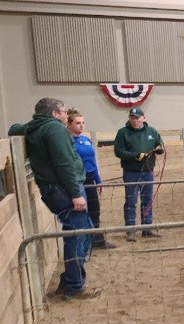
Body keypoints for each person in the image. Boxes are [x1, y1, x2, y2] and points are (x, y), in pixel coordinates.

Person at [8, 98, 99, 299]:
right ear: (54, 113)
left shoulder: (36, 126)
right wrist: (76, 193)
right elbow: (64, 163)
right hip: (63, 188)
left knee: (83, 230)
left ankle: (69, 281)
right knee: (78, 233)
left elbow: (13, 129)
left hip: (53, 188)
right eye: (64, 112)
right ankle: (74, 286)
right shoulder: (55, 129)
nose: (66, 115)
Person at [66, 108, 115, 249]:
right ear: (69, 125)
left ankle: (96, 239)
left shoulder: (86, 140)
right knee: (82, 211)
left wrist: (98, 180)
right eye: (77, 123)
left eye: (83, 123)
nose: (81, 125)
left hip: (90, 177)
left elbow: (92, 160)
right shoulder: (68, 142)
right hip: (78, 179)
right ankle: (84, 241)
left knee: (95, 209)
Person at [113, 108, 164, 242]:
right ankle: (130, 229)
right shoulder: (123, 133)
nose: (135, 120)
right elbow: (118, 151)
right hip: (131, 172)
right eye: (132, 118)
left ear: (143, 118)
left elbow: (159, 144)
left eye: (137, 118)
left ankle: (147, 227)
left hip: (148, 171)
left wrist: (160, 149)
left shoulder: (152, 131)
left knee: (147, 200)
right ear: (129, 118)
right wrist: (134, 155)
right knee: (131, 201)